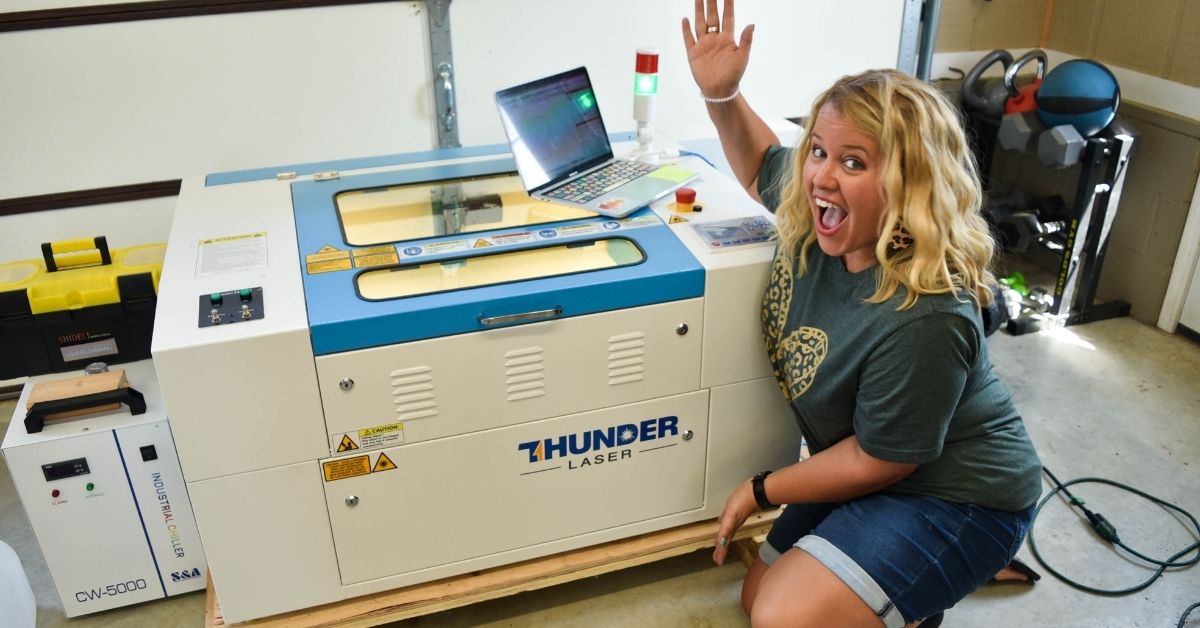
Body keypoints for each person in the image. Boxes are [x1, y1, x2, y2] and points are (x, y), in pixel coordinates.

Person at [681, 1, 1044, 627]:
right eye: (819, 150)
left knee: (785, 617)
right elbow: (759, 158)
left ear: (910, 185)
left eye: (854, 162)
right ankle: (908, 582)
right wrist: (724, 96)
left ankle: (960, 559)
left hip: (957, 492)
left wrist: (762, 488)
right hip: (873, 465)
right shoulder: (817, 215)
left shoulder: (928, 311)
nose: (821, 176)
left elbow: (882, 459)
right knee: (758, 596)